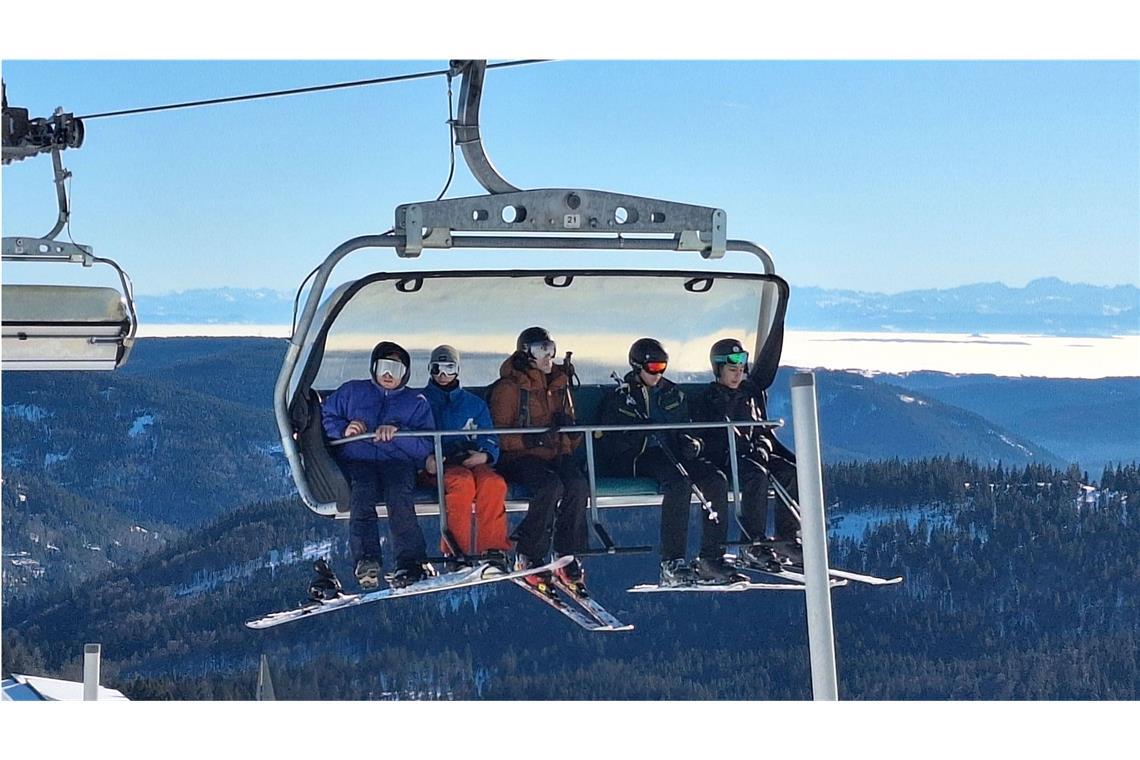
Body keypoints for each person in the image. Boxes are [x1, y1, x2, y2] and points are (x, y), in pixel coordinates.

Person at [595, 338, 744, 586]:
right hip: (640, 457)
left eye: (662, 367)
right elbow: (608, 440)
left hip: (673, 452)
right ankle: (672, 561)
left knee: (715, 480)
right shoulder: (621, 398)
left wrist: (693, 444)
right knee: (678, 484)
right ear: (637, 366)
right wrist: (637, 433)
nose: (658, 374)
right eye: (652, 368)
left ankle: (710, 557)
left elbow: (690, 427)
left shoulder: (673, 394)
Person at [321, 340, 435, 590]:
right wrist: (345, 429)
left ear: (405, 374)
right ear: (373, 367)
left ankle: (410, 560)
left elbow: (426, 444)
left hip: (397, 462)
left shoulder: (416, 402)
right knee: (362, 497)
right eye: (383, 367)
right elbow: (326, 414)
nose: (387, 375)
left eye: (395, 370)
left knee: (399, 498)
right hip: (359, 460)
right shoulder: (352, 392)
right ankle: (367, 559)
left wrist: (399, 433)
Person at [488, 326, 589, 589]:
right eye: (540, 350)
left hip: (554, 454)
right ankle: (529, 554)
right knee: (549, 486)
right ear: (525, 354)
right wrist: (531, 439)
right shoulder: (509, 388)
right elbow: (497, 436)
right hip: (519, 457)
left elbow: (572, 436)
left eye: (550, 349)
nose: (548, 356)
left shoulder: (559, 385)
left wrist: (569, 430)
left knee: (577, 485)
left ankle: (566, 553)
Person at [691, 337, 801, 569]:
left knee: (791, 472)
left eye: (740, 370)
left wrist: (762, 447)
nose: (737, 375)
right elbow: (705, 436)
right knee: (756, 476)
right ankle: (752, 542)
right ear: (718, 370)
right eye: (732, 370)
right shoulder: (708, 400)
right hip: (726, 458)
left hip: (752, 455)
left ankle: (786, 537)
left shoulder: (749, 396)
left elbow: (762, 430)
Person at [420, 344, 510, 568]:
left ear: (457, 370)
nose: (442, 375)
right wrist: (424, 460)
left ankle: (492, 549)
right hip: (438, 464)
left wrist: (485, 456)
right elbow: (410, 437)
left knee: (493, 484)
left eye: (449, 368)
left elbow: (488, 435)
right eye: (437, 369)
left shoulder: (473, 404)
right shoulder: (420, 402)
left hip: (469, 459)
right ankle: (455, 552)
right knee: (461, 484)